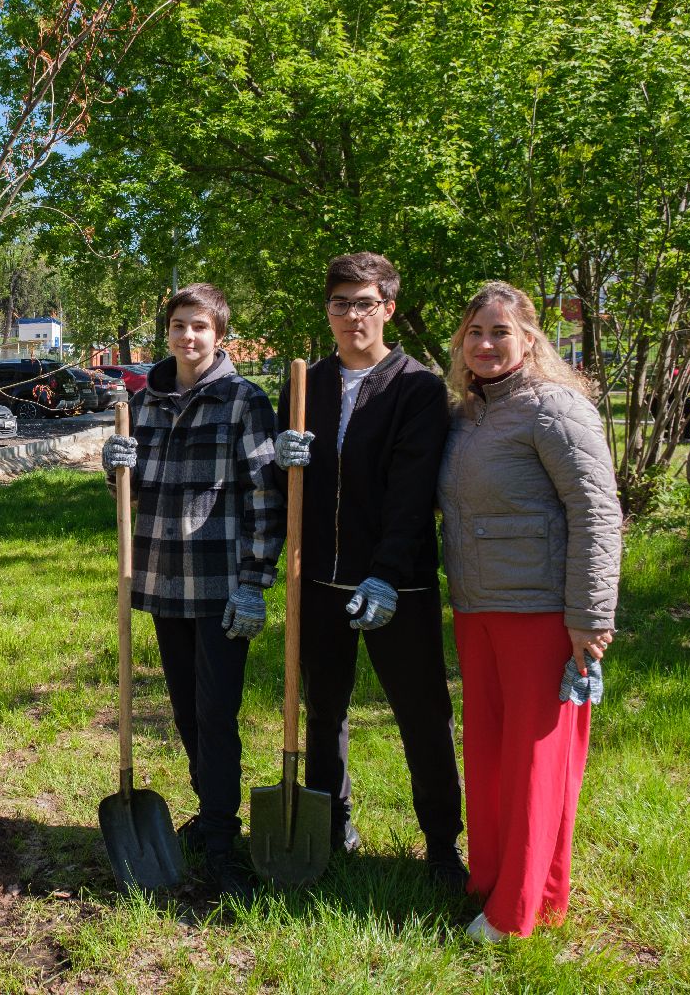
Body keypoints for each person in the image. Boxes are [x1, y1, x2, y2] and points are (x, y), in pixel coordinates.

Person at [272, 252, 467, 888]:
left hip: (396, 582)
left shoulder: (416, 386)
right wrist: (282, 457)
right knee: (324, 710)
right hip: (320, 577)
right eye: (340, 303)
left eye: (364, 303)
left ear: (386, 308)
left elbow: (413, 492)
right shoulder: (306, 384)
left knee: (422, 713)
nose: (352, 315)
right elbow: (288, 485)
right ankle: (331, 824)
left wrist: (385, 572)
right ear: (327, 311)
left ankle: (442, 845)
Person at [437, 281, 622, 942]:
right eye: (475, 334)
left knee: (537, 765)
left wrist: (590, 617)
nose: (486, 344)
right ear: (461, 343)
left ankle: (517, 912)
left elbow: (598, 513)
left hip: (544, 614)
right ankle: (493, 878)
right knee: (489, 757)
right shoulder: (469, 415)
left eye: (500, 333)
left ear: (528, 339)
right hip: (478, 608)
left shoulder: (555, 408)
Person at [101, 283, 284, 900]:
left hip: (220, 585)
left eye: (200, 328)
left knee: (215, 713)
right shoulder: (143, 401)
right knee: (184, 709)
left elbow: (265, 495)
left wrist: (255, 582)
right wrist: (114, 465)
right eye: (179, 325)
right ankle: (210, 817)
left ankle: (222, 838)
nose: (188, 337)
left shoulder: (243, 402)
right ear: (168, 332)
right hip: (159, 579)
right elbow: (130, 494)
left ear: (219, 336)